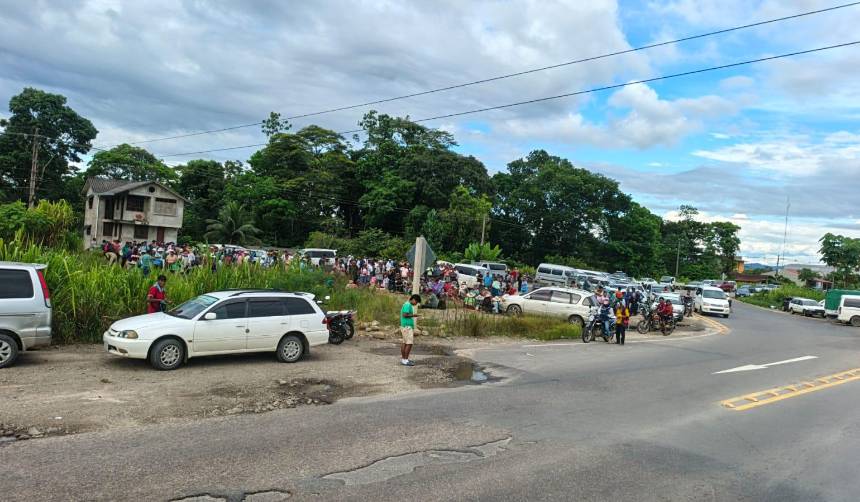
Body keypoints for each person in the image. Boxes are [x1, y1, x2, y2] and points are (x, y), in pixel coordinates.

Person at [399, 294, 421, 367]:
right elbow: (404, 315)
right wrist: (414, 315)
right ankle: (405, 360)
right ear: (414, 299)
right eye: (416, 302)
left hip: (405, 326)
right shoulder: (408, 305)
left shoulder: (406, 304)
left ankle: (404, 359)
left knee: (405, 342)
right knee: (409, 343)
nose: (416, 304)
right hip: (407, 327)